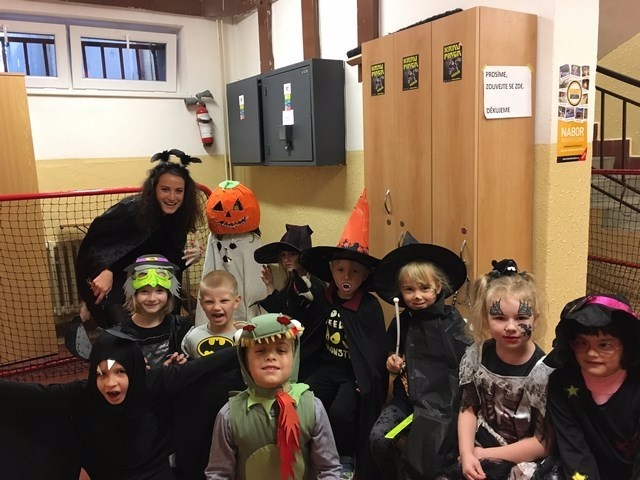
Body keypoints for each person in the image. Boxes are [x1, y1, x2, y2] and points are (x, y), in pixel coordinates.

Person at [0, 329, 238, 480]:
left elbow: (201, 368)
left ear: (133, 371)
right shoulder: (84, 393)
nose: (110, 383)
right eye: (101, 374)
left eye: (120, 372)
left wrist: (243, 350)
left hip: (154, 474)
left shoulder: (152, 382)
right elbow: (35, 395)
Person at [439, 259, 555, 480]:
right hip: (482, 440)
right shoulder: (476, 356)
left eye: (521, 318)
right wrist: (467, 453)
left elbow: (543, 443)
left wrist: (485, 454)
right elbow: (468, 409)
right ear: (486, 318)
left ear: (535, 319)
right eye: (499, 318)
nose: (510, 327)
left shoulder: (543, 372)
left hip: (523, 456)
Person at [300, 190, 388, 480]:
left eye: (354, 271)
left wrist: (366, 379)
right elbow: (311, 334)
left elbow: (373, 350)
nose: (346, 277)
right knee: (303, 398)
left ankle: (345, 455)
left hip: (352, 374)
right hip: (327, 368)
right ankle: (311, 452)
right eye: (340, 270)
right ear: (331, 271)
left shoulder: (368, 306)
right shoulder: (325, 298)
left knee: (340, 413)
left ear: (365, 275)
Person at [369, 239, 472, 480]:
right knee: (379, 438)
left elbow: (466, 363)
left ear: (438, 287)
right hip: (407, 403)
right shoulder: (400, 322)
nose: (417, 296)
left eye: (424, 288)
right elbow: (390, 354)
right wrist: (392, 361)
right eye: (409, 290)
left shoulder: (453, 322)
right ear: (400, 292)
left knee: (438, 454)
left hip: (445, 405)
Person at [75, 149, 203, 329]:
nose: (172, 197)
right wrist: (104, 268)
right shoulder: (129, 209)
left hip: (151, 280)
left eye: (178, 191)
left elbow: (169, 261)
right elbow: (94, 244)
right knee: (125, 333)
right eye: (165, 189)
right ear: (154, 189)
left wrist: (191, 257)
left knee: (160, 330)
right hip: (118, 278)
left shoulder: (179, 217)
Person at [205, 312, 341, 479]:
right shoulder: (229, 415)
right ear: (245, 361)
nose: (270, 357)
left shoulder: (313, 408)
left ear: (294, 357)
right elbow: (219, 474)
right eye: (260, 350)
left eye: (281, 350)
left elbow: (328, 469)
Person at [545, 294, 640, 479]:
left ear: (626, 345)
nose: (591, 353)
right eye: (582, 343)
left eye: (604, 345)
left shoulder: (635, 386)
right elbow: (573, 448)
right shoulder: (561, 383)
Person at [174, 270, 245, 480]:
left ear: (236, 301)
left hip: (235, 407)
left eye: (224, 300)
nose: (216, 307)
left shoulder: (246, 335)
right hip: (202, 409)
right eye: (209, 302)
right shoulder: (193, 336)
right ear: (201, 304)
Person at [254, 223, 326, 379]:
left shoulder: (315, 285)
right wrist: (270, 284)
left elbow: (310, 323)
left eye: (292, 254)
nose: (286, 259)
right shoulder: (292, 281)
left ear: (303, 256)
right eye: (283, 255)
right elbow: (279, 309)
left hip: (310, 355)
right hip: (292, 349)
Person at [119, 254, 191, 368]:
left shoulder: (180, 326)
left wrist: (179, 366)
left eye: (159, 290)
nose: (152, 298)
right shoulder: (122, 333)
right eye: (144, 291)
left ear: (169, 293)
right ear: (134, 294)